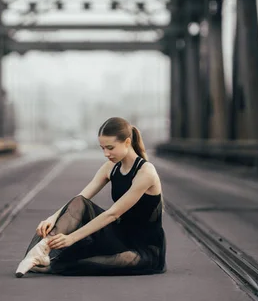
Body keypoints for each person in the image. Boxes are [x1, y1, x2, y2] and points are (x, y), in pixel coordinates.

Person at [15, 116, 166, 277]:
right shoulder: (111, 167)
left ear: (127, 142)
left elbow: (113, 214)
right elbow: (80, 198)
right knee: (80, 203)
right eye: (102, 148)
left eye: (110, 147)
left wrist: (71, 238)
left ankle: (45, 259)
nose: (106, 153)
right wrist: (53, 217)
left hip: (142, 248)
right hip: (118, 236)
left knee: (80, 263)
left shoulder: (146, 172)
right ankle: (43, 248)